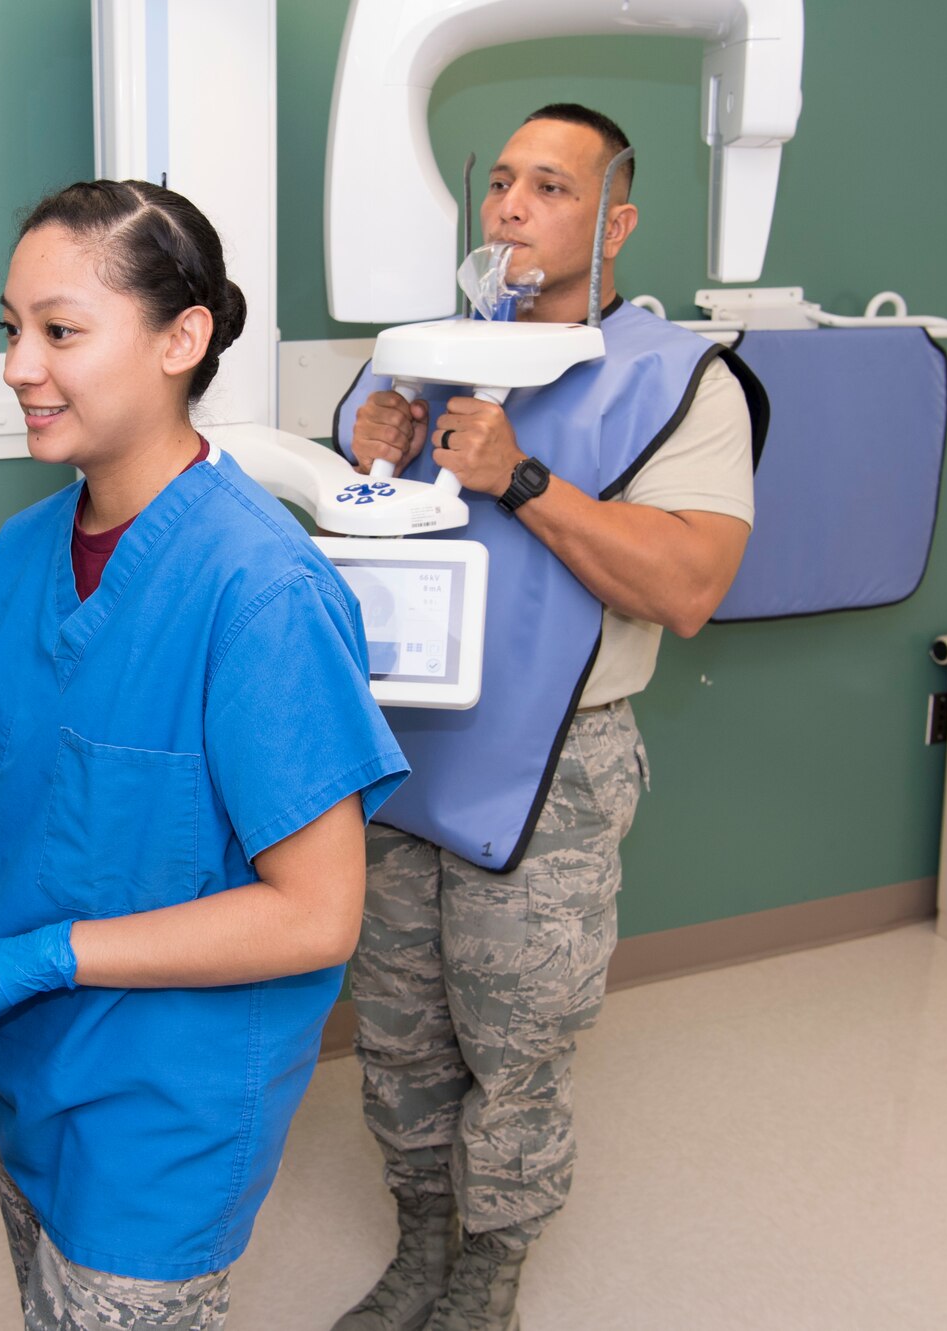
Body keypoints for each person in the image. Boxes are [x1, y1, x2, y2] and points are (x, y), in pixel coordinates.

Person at [0, 178, 409, 1331]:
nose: (16, 364)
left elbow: (315, 914)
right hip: (31, 1075)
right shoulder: (24, 550)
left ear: (179, 337)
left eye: (59, 330)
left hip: (164, 1113)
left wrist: (45, 952)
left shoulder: (260, 593)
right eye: (10, 328)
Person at [330, 105, 767, 1331]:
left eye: (552, 188)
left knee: (515, 1051)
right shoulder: (416, 354)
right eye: (503, 184)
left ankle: (489, 1278)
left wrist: (518, 478)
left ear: (614, 218)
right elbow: (343, 539)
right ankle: (421, 1246)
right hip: (397, 755)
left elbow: (685, 587)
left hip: (554, 769)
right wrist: (365, 451)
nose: (513, 207)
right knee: (403, 1037)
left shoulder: (680, 380)